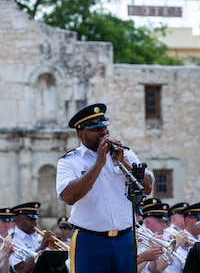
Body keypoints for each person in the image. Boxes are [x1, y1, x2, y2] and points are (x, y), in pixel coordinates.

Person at [56, 103, 154, 273]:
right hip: (90, 241)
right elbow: (69, 196)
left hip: (125, 239)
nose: (103, 132)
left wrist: (123, 162)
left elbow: (147, 187)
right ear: (81, 133)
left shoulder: (126, 154)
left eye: (104, 127)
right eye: (95, 129)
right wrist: (99, 164)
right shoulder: (69, 161)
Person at [9, 202, 55, 273]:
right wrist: (42, 247)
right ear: (19, 221)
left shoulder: (38, 236)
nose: (34, 222)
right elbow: (22, 270)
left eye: (35, 219)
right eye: (30, 219)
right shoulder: (12, 241)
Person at [0, 207, 15, 273]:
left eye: (9, 221)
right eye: (4, 221)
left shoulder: (15, 235)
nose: (7, 224)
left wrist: (6, 256)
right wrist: (3, 252)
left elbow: (4, 271)